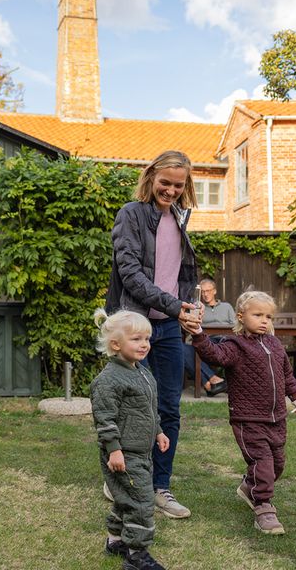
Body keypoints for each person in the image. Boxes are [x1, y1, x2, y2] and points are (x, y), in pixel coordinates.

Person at [105, 150, 200, 520]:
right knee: (129, 408)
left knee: (169, 409)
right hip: (134, 324)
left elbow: (181, 275)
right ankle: (120, 478)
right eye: (166, 182)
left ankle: (160, 487)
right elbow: (131, 274)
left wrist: (189, 307)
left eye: (179, 185)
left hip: (168, 328)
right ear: (151, 178)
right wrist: (176, 306)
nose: (171, 190)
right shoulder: (130, 214)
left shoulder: (180, 218)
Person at [190, 291, 296, 535]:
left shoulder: (275, 344)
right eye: (258, 315)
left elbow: (286, 375)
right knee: (262, 464)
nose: (264, 320)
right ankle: (263, 507)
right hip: (248, 419)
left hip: (277, 418)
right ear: (241, 316)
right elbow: (214, 354)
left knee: (277, 466)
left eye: (268, 316)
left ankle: (248, 487)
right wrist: (199, 334)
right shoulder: (235, 346)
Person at [91, 309, 170, 570]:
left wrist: (158, 430)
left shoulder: (142, 373)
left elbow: (148, 407)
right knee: (142, 502)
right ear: (116, 344)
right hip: (123, 452)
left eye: (146, 339)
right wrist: (114, 450)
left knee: (127, 497)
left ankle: (115, 540)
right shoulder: (108, 380)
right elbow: (105, 419)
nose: (144, 344)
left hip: (142, 450)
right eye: (136, 339)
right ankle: (137, 555)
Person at [181, 278, 235, 396]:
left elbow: (235, 327)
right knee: (181, 349)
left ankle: (209, 385)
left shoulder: (227, 307)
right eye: (203, 291)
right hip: (205, 339)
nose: (205, 294)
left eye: (208, 291)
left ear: (214, 291)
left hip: (224, 339)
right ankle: (211, 382)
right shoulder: (197, 309)